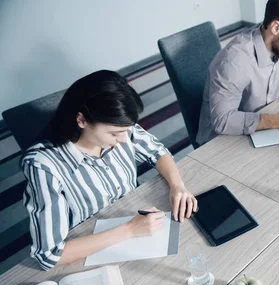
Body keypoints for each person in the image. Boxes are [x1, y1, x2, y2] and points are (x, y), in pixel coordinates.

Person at [22, 70, 197, 270]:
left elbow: (157, 152)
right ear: (81, 120)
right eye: (115, 133)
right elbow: (49, 255)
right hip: (89, 247)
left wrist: (177, 186)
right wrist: (129, 230)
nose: (124, 139)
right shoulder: (43, 165)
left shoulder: (120, 127)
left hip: (134, 222)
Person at [196, 0, 279, 146]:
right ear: (276, 28)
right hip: (220, 143)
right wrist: (277, 121)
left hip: (261, 130)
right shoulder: (234, 62)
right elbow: (223, 121)